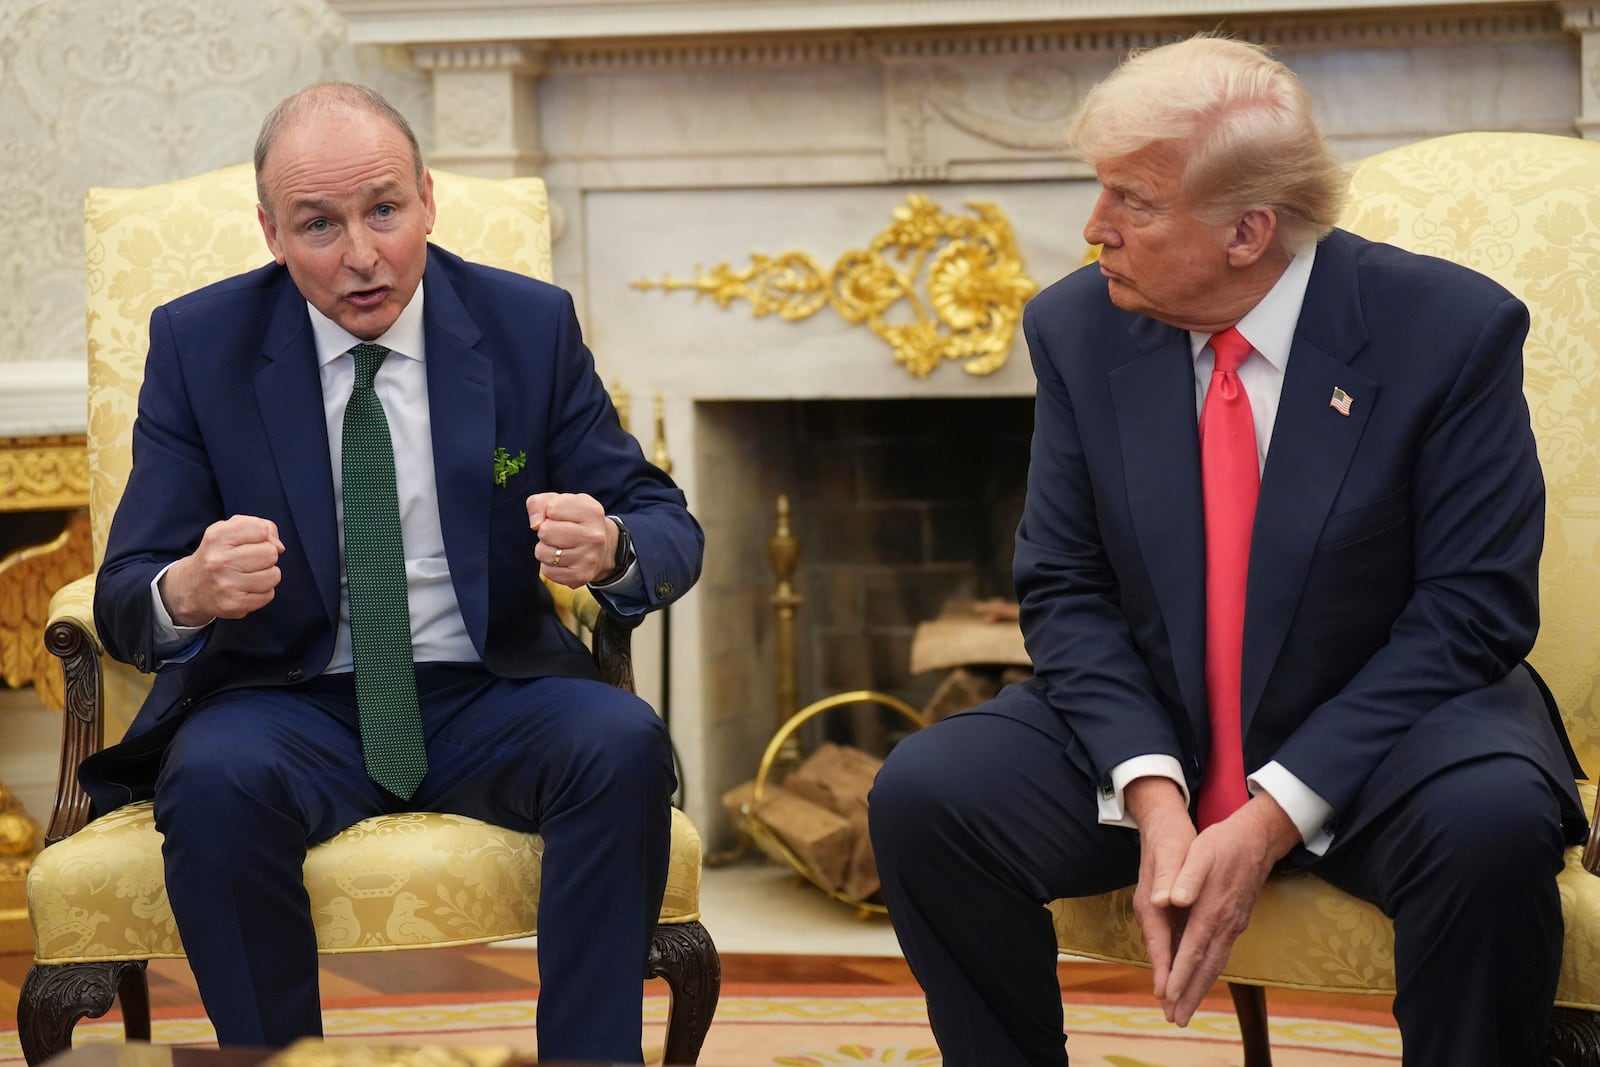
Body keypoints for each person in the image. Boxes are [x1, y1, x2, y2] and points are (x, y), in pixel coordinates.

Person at [868, 35, 1587, 1067]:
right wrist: (1152, 793)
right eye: (1099, 191)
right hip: (1156, 711)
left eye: (1134, 202)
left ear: (1249, 229)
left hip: (1387, 729)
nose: (1094, 228)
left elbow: (1470, 610)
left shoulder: (1448, 330)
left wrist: (1268, 818)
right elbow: (1064, 586)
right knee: (929, 794)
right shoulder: (1078, 326)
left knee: (1489, 828)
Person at [82, 82, 703, 1063]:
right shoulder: (200, 345)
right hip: (286, 697)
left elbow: (665, 521)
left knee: (619, 740)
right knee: (212, 777)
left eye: (383, 210)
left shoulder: (524, 327)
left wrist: (613, 548)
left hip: (488, 688)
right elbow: (126, 591)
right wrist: (187, 590)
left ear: (426, 198)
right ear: (270, 232)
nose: (361, 254)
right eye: (318, 224)